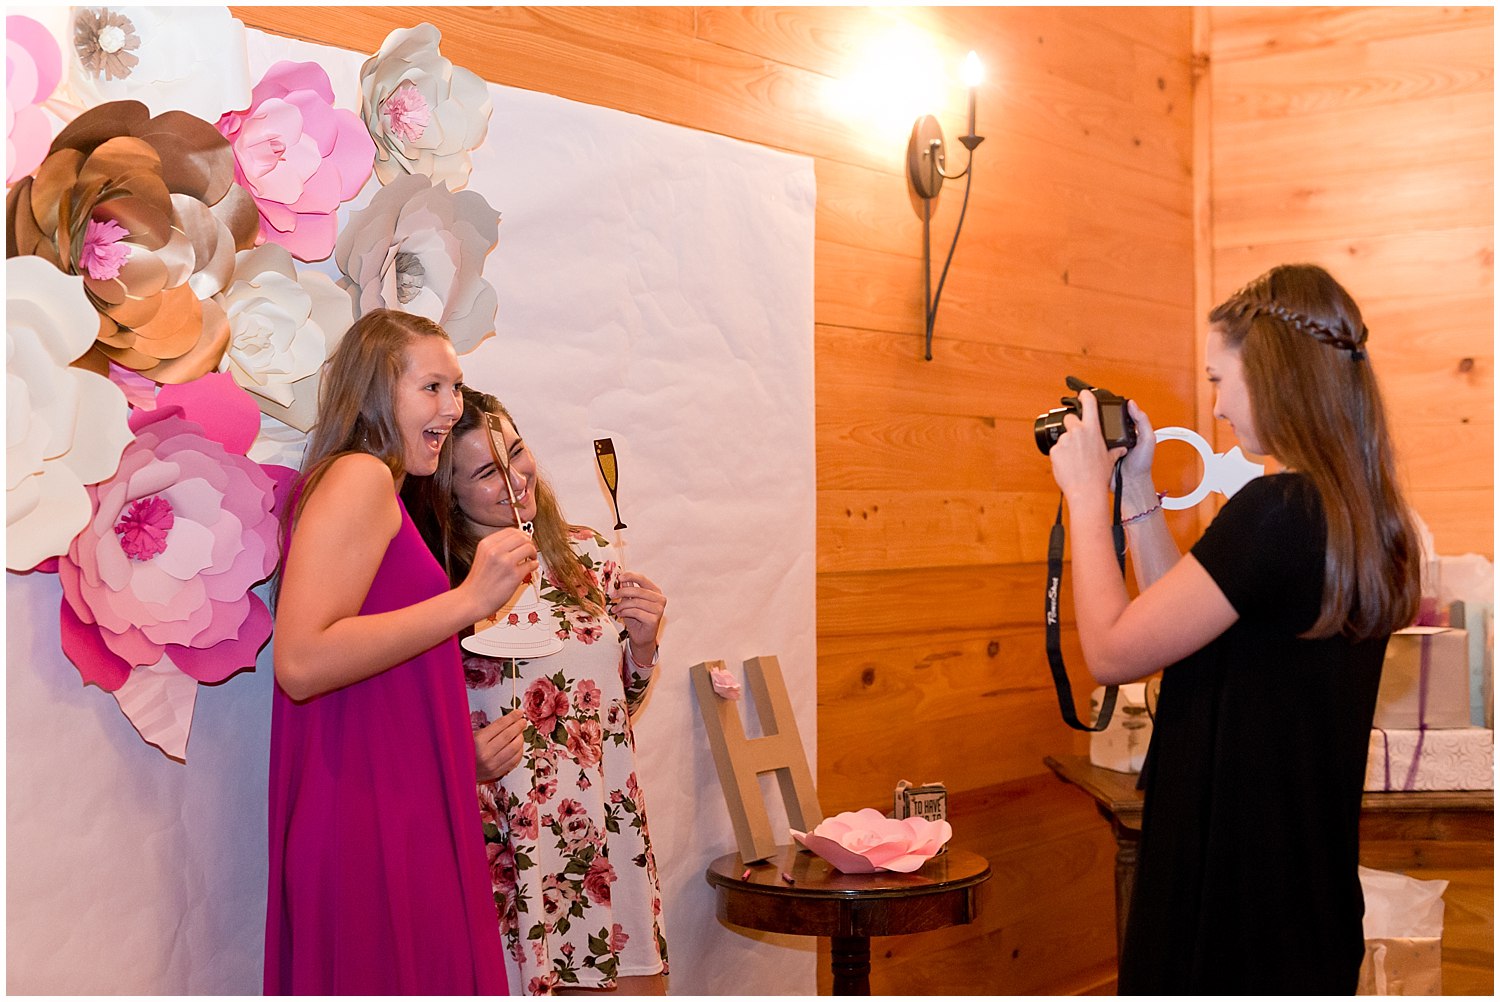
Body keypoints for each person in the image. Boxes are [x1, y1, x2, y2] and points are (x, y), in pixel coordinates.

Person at [1046, 264, 1421, 993]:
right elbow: (1178, 628)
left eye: (1220, 380)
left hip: (1226, 903)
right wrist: (1134, 489)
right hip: (1302, 906)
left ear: (1275, 375)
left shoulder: (1277, 510)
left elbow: (1114, 651)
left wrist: (1085, 498)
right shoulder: (1363, 518)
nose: (1215, 406)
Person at [265, 309, 531, 994]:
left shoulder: (372, 486)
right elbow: (301, 663)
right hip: (371, 818)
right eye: (433, 388)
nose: (453, 408)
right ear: (379, 390)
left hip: (393, 804)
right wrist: (470, 600)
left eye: (457, 388)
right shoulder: (359, 478)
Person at [404, 386, 670, 996]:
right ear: (446, 491)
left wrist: (645, 646)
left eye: (516, 452)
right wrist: (462, 760)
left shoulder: (586, 554)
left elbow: (612, 710)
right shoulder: (438, 580)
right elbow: (401, 718)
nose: (515, 477)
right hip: (507, 842)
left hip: (605, 828)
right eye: (486, 472)